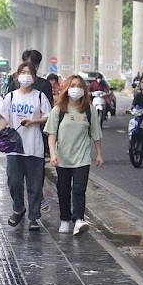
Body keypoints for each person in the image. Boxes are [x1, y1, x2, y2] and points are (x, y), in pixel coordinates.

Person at [44, 74, 103, 235]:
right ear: (67, 88)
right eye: (73, 85)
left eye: (79, 86)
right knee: (63, 189)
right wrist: (53, 154)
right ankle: (64, 219)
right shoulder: (59, 110)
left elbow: (95, 133)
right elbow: (52, 133)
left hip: (82, 157)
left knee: (79, 189)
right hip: (63, 157)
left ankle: (78, 219)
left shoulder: (89, 110)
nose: (76, 89)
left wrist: (99, 153)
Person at [0, 61, 51, 230]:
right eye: (23, 72)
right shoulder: (11, 96)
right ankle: (18, 208)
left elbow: (48, 117)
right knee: (13, 181)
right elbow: (4, 118)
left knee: (34, 184)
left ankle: (34, 217)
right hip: (14, 147)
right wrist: (0, 133)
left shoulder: (39, 96)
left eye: (29, 73)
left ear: (34, 77)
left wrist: (34, 121)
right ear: (17, 76)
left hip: (34, 146)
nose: (26, 75)